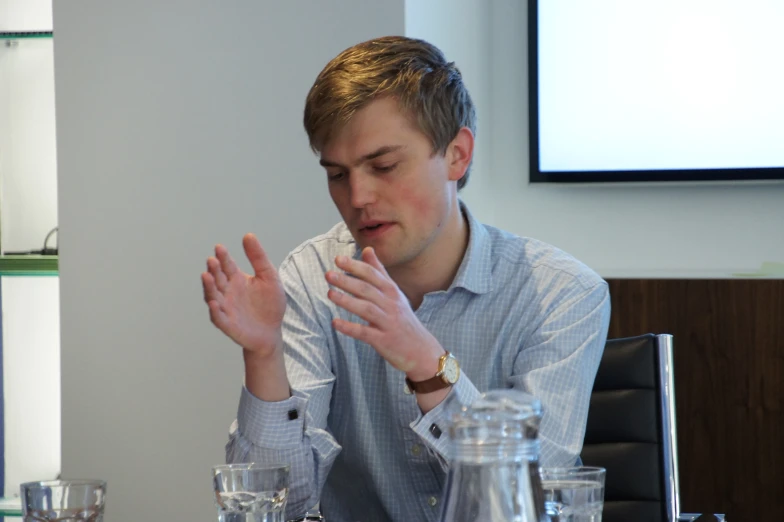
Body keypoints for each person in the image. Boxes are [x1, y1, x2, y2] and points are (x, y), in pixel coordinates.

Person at [201, 35, 610, 522]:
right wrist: (264, 356)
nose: (358, 196)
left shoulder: (562, 293)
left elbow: (534, 503)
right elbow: (281, 507)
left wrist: (427, 363)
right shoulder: (310, 279)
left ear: (457, 154)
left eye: (383, 165)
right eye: (337, 174)